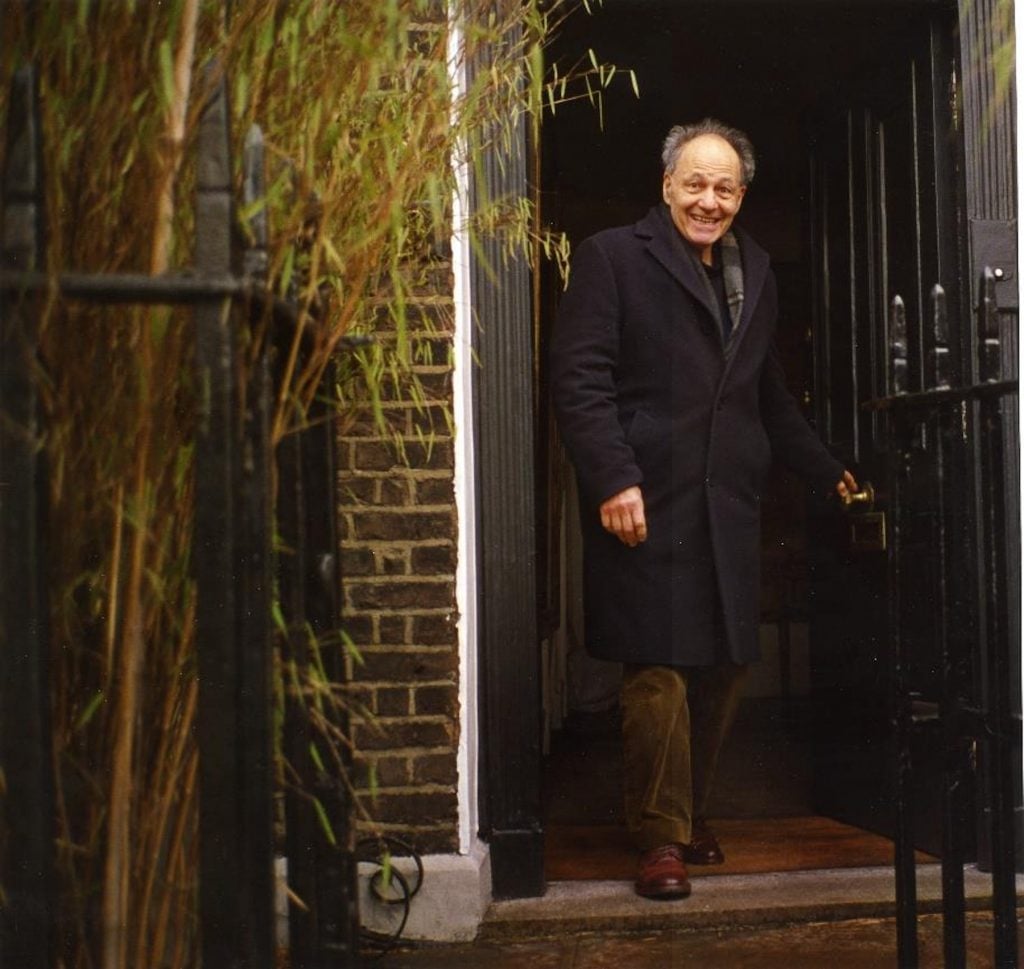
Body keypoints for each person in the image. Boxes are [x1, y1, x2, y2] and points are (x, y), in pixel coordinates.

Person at [549, 118, 857, 900]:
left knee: (725, 668)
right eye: (695, 183)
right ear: (666, 186)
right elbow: (581, 378)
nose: (708, 200)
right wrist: (614, 477)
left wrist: (827, 472)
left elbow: (767, 396)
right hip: (645, 500)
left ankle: (686, 815)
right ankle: (659, 838)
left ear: (741, 196)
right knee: (658, 670)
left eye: (724, 188)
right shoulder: (613, 257)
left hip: (728, 505)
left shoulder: (754, 267)